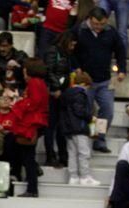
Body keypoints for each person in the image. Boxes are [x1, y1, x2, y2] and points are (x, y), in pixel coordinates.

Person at [75, 7, 126, 153]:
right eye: (96, 24)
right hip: (85, 81)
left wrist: (121, 69)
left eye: (102, 24)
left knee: (108, 111)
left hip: (104, 80)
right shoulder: (79, 30)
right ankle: (85, 138)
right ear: (90, 20)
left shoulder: (110, 31)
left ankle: (99, 138)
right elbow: (70, 49)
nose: (99, 27)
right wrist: (77, 67)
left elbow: (120, 50)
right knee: (86, 111)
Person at [8, 58, 49, 197]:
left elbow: (34, 102)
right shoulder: (40, 83)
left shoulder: (34, 82)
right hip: (35, 122)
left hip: (30, 123)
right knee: (25, 153)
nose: (24, 74)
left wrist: (19, 104)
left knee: (28, 156)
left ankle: (32, 188)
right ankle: (33, 176)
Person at [44, 30, 76, 168]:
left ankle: (63, 156)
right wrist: (55, 87)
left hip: (63, 92)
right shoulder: (53, 51)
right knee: (51, 127)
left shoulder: (66, 54)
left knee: (61, 127)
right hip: (53, 93)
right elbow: (49, 70)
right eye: (72, 44)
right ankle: (50, 156)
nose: (73, 47)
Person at [61, 70, 95, 186]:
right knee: (84, 153)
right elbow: (79, 111)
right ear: (84, 84)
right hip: (79, 128)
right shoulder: (80, 94)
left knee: (72, 153)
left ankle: (73, 177)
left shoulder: (67, 93)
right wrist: (90, 117)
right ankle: (85, 177)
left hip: (69, 128)